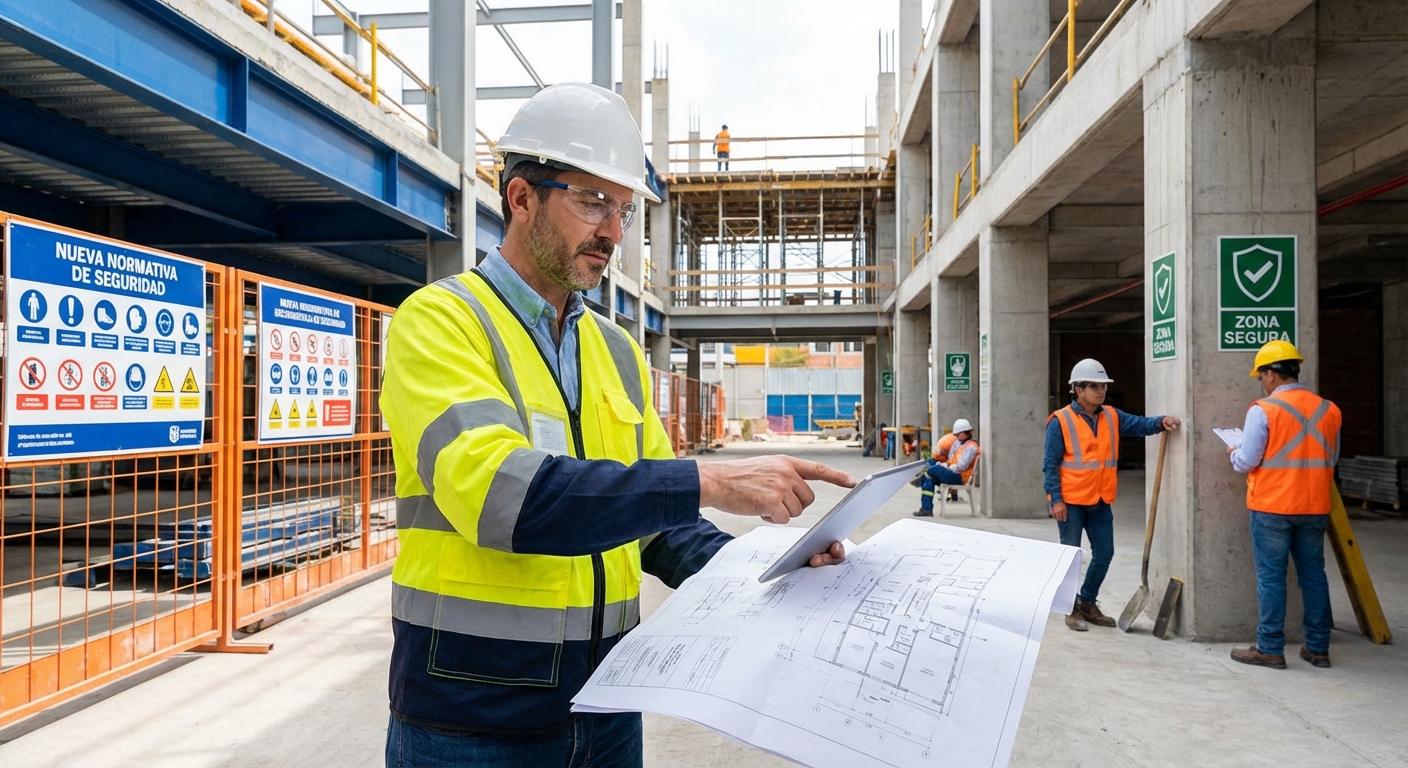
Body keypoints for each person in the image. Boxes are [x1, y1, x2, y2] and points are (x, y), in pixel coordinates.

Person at [379, 83, 856, 768]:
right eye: (592, 200)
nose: (611, 232)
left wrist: (774, 571)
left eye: (623, 210)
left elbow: (662, 526)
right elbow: (505, 500)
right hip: (471, 719)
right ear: (520, 197)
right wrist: (711, 479)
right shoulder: (442, 323)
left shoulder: (617, 352)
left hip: (606, 708)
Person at [1044, 358, 1181, 632]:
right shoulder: (1060, 421)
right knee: (1070, 557)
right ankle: (1071, 609)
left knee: (1105, 553)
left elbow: (1139, 425)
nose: (1101, 391)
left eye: (1103, 386)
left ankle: (1087, 602)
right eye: (1094, 386)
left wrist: (1161, 422)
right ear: (1078, 389)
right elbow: (1050, 463)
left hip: (1100, 499)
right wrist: (1055, 499)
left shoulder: (1111, 416)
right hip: (1070, 502)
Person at [1227, 340, 1340, 670]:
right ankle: (1318, 648)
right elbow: (1331, 458)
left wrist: (1233, 451)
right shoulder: (1329, 409)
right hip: (1315, 506)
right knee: (1314, 576)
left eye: (1260, 376)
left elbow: (1246, 460)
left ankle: (1270, 648)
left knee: (1272, 579)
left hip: (1272, 507)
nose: (1261, 383)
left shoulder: (1264, 410)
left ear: (1271, 375)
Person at [914, 419, 980, 517]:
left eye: (958, 434)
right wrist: (944, 465)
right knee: (929, 476)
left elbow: (961, 466)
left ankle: (923, 477)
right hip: (952, 471)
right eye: (956, 435)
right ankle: (926, 509)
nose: (957, 437)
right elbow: (950, 458)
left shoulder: (971, 447)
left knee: (931, 470)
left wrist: (945, 467)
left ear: (966, 432)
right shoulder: (958, 443)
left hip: (959, 476)